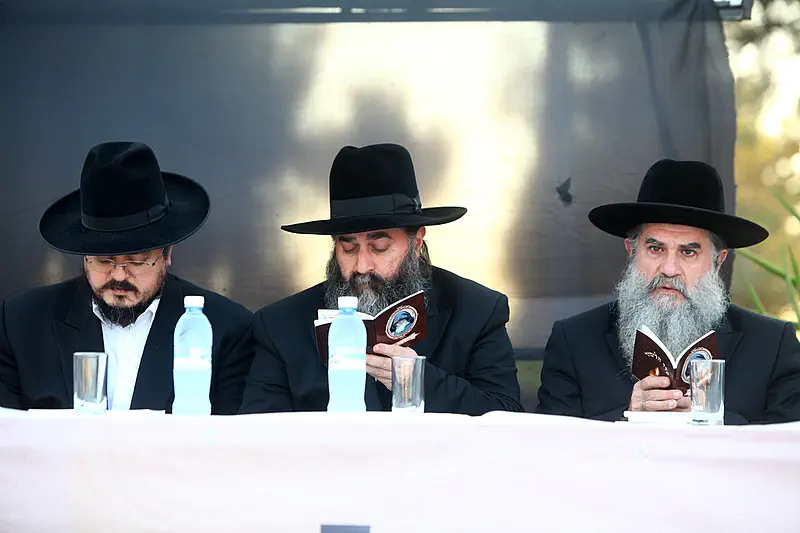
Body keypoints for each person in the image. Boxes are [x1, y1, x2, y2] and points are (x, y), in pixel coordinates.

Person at [240, 143, 522, 415]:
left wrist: (419, 381)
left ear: (416, 242)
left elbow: (507, 416)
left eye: (379, 247)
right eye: (349, 248)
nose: (362, 266)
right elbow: (258, 433)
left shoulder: (476, 311)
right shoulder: (281, 326)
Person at [536, 159, 800, 424]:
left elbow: (787, 444)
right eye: (655, 249)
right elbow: (550, 443)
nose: (670, 269)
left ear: (718, 262)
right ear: (632, 251)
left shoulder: (772, 346)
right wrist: (629, 416)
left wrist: (707, 420)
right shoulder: (575, 342)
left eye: (688, 252)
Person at [0, 142, 254, 413]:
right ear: (84, 256)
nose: (119, 275)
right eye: (103, 260)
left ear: (167, 254)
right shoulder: (21, 322)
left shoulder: (226, 328)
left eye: (137, 260)